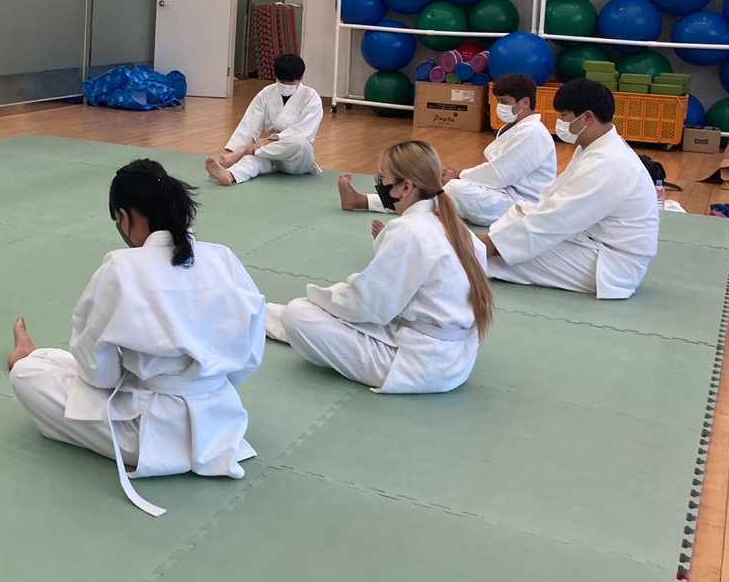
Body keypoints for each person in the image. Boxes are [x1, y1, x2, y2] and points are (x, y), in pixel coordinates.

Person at [6, 159, 267, 516]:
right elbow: (249, 354)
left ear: (125, 217)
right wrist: (201, 380)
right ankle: (38, 355)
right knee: (57, 361)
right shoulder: (223, 257)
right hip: (221, 421)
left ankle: (28, 358)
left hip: (147, 436)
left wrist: (138, 374)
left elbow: (98, 373)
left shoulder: (121, 266)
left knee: (27, 375)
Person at [268, 140, 493, 394]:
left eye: (383, 178)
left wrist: (319, 297)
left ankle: (262, 316)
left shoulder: (409, 231)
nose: (379, 184)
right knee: (320, 310)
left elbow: (365, 305)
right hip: (455, 359)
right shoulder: (457, 229)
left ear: (405, 187)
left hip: (420, 366)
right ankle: (263, 314)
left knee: (297, 314)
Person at [478, 78, 659, 299]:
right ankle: (472, 251)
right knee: (518, 217)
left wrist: (491, 245)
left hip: (612, 263)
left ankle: (459, 259)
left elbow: (558, 218)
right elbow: (555, 198)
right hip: (593, 241)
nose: (559, 122)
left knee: (498, 258)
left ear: (587, 117)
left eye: (564, 115)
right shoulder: (597, 148)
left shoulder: (609, 161)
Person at [337, 73, 556, 226]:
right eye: (499, 101)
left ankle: (364, 201)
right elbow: (495, 173)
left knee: (453, 190)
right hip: (502, 192)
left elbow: (498, 175)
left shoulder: (532, 133)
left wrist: (457, 175)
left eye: (505, 101)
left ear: (524, 102)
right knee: (439, 185)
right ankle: (363, 200)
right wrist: (456, 175)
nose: (500, 106)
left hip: (521, 204)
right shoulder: (515, 128)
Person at [206, 53, 323, 187]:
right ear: (275, 76)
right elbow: (249, 125)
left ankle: (243, 152)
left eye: (290, 82)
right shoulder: (266, 93)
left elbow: (302, 132)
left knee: (299, 142)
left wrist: (259, 145)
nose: (286, 86)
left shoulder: (311, 97)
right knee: (252, 160)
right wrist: (230, 155)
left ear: (301, 78)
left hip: (296, 158)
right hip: (269, 152)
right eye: (282, 81)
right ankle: (230, 174)